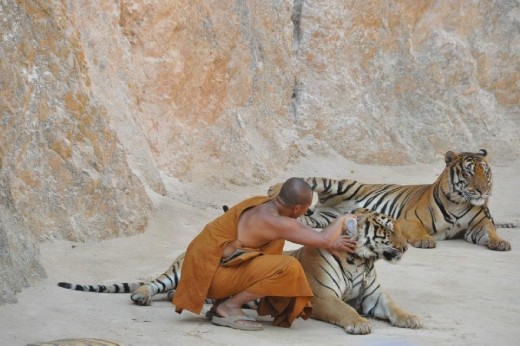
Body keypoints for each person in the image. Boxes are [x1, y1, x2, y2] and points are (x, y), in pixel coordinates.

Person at [173, 177, 357, 331]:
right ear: (296, 208)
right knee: (288, 267)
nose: (305, 213)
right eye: (305, 209)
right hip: (209, 280)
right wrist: (343, 219)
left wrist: (333, 239)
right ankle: (228, 307)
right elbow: (323, 239)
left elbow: (302, 230)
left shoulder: (262, 203)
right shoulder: (276, 222)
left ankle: (220, 305)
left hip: (207, 270)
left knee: (274, 243)